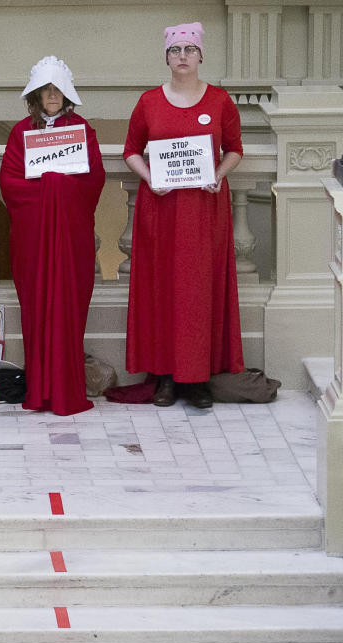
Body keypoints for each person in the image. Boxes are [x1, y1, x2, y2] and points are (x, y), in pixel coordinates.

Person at [123, 22, 244, 409]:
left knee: (199, 292)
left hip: (204, 211)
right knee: (161, 291)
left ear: (200, 55)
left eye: (189, 50)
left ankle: (198, 379)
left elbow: (235, 149)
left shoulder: (220, 101)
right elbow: (131, 150)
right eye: (175, 51)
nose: (182, 57)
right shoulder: (148, 102)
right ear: (167, 57)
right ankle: (163, 377)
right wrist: (150, 178)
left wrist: (218, 176)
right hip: (160, 209)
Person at [0, 56, 105, 415]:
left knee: (70, 308)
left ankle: (65, 388)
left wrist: (57, 186)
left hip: (71, 241)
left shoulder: (83, 130)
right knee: (36, 308)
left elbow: (93, 180)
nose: (52, 95)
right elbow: (10, 183)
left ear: (67, 94)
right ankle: (40, 388)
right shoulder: (19, 133)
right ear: (35, 96)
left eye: (57, 89)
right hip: (33, 241)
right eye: (46, 90)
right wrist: (49, 188)